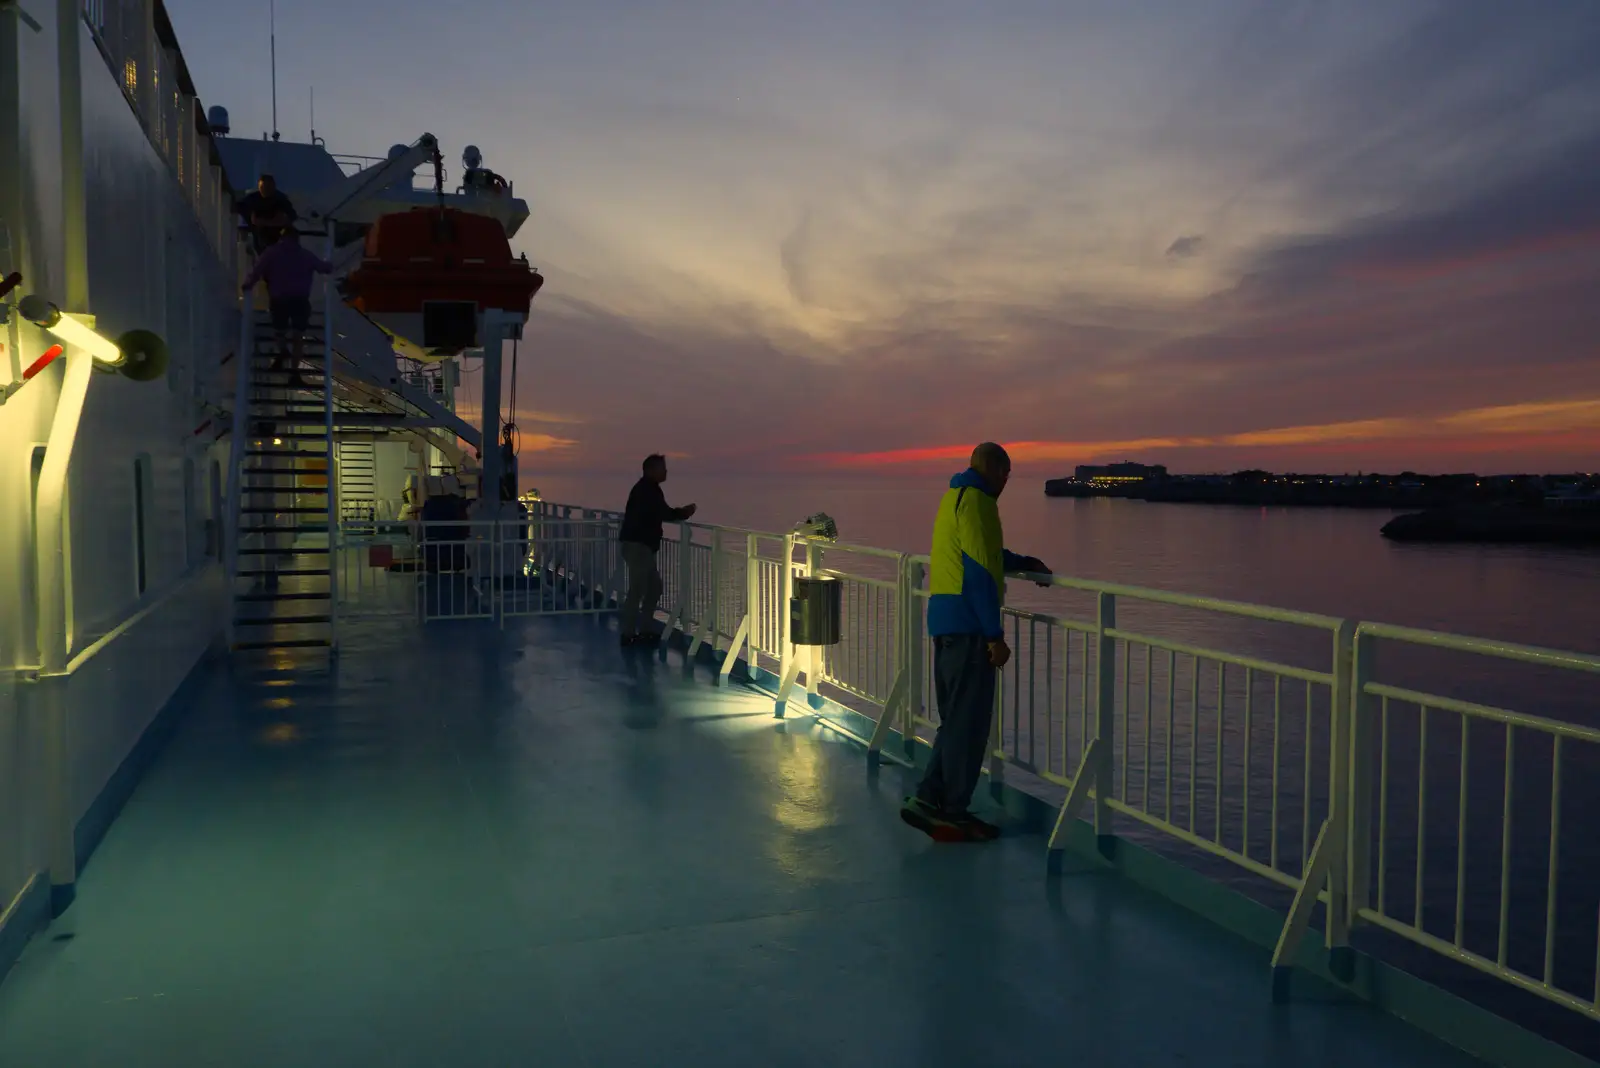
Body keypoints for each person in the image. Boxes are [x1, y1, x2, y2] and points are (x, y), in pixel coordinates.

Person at [901, 442, 1051, 843]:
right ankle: (954, 813)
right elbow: (982, 573)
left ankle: (928, 799)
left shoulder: (954, 497)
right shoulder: (981, 502)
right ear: (999, 473)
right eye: (1006, 476)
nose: (1005, 483)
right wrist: (994, 635)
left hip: (944, 621)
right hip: (969, 628)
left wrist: (1023, 562)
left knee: (954, 723)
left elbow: (984, 553)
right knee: (968, 726)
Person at [617, 454, 697, 647]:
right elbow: (664, 513)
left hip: (641, 547)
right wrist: (684, 513)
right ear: (651, 470)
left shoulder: (648, 489)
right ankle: (628, 635)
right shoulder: (648, 490)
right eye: (662, 468)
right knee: (638, 590)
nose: (666, 471)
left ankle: (645, 630)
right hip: (638, 547)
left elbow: (660, 512)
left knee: (653, 588)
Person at [239, 229, 334, 389]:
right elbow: (324, 268)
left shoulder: (272, 253)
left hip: (279, 299)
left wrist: (248, 284)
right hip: (300, 300)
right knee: (298, 337)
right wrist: (331, 263)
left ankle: (283, 352)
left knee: (279, 331)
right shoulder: (305, 255)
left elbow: (257, 271)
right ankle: (294, 372)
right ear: (297, 239)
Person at [237, 174, 298, 254]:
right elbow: (238, 207)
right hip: (259, 240)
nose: (265, 190)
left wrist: (282, 220)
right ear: (259, 187)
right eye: (262, 187)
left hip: (278, 239)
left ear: (273, 187)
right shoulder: (252, 199)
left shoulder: (281, 199)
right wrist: (251, 217)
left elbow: (292, 215)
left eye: (268, 187)